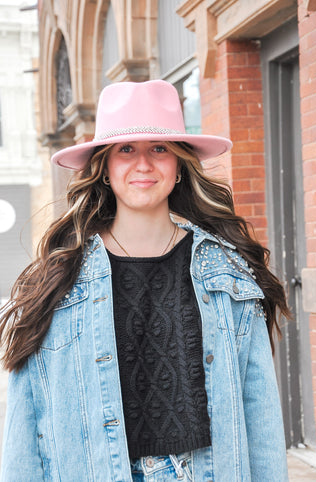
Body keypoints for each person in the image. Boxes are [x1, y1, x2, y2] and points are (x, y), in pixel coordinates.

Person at [0, 80, 289, 481]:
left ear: (178, 165)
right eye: (125, 150)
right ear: (104, 167)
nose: (143, 164)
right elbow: (25, 417)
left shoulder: (226, 273)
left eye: (159, 148)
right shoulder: (57, 280)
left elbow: (259, 411)